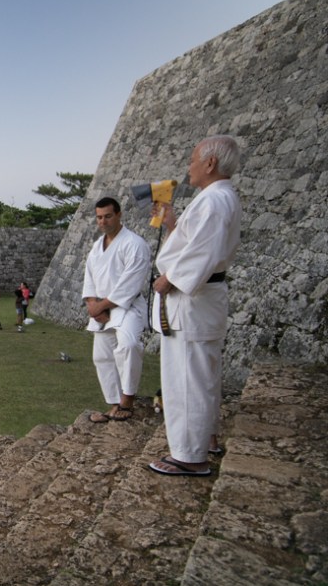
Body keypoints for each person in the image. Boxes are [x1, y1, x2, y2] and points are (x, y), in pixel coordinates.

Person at [148, 135, 242, 477]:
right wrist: (173, 223)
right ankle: (207, 439)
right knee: (202, 375)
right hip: (202, 300)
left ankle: (190, 456)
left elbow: (203, 253)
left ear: (210, 163)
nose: (188, 167)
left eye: (192, 160)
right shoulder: (216, 198)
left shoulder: (215, 200)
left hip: (193, 300)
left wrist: (169, 279)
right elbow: (196, 242)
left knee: (187, 379)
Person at [82, 197, 151, 423]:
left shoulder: (134, 244)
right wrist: (92, 305)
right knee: (102, 357)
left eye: (108, 216)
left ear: (119, 215)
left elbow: (130, 283)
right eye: (99, 217)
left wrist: (101, 306)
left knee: (129, 346)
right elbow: (89, 278)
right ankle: (113, 403)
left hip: (126, 306)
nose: (103, 221)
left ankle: (127, 400)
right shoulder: (97, 247)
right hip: (101, 310)